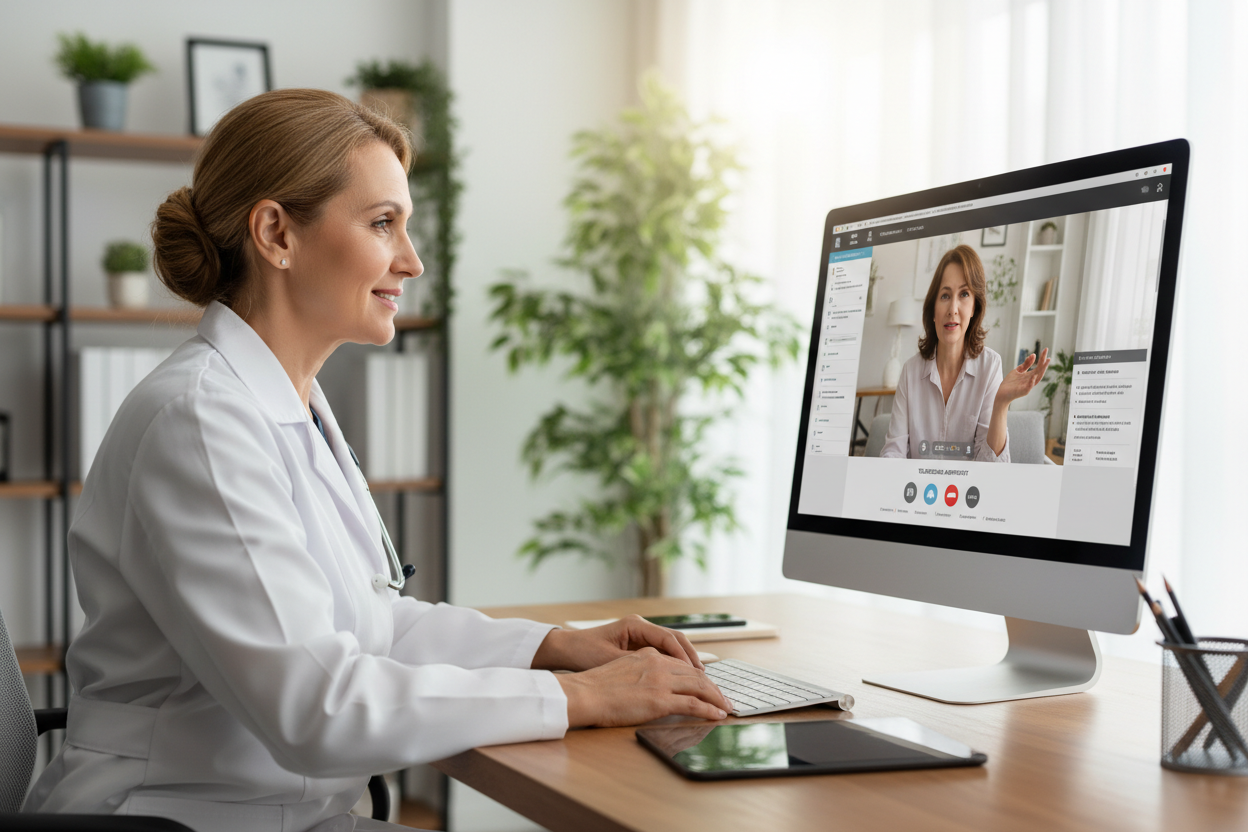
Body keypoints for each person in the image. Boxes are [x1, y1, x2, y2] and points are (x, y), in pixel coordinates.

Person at [23, 89, 730, 832]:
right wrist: (581, 697)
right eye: (382, 223)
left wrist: (554, 648)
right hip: (182, 817)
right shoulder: (199, 420)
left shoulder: (293, 403)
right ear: (276, 234)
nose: (412, 261)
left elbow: (374, 626)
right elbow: (316, 707)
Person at [879, 244, 1049, 461]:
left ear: (974, 309)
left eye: (964, 294)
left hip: (967, 494)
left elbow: (991, 470)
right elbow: (894, 451)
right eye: (945, 296)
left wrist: (1001, 404)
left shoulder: (991, 367)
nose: (953, 309)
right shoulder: (910, 371)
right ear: (933, 310)